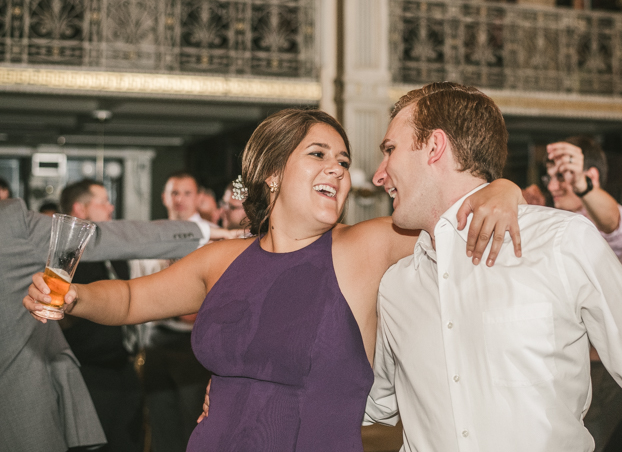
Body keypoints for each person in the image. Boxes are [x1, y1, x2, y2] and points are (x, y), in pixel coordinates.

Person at [25, 107, 523, 452]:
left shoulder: (365, 246)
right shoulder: (221, 259)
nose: (338, 169)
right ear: (272, 173)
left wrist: (503, 188)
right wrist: (74, 297)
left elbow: (454, 216)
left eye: (344, 161)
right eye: (319, 154)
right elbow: (132, 299)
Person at [364, 82, 622, 452]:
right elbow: (372, 403)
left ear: (434, 147)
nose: (379, 174)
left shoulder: (561, 243)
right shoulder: (397, 286)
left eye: (390, 150)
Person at [2, 197, 234, 452]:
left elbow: (110, 240)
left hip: (18, 404)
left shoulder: (10, 221)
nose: (110, 206)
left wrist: (204, 232)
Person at [527, 135, 622, 451]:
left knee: (582, 437)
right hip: (567, 362)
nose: (551, 186)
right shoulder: (559, 221)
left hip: (602, 368)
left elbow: (612, 223)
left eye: (561, 177)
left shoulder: (616, 218)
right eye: (548, 177)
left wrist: (584, 188)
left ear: (589, 177)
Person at [58, 179, 144, 452]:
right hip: (89, 373)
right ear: (80, 210)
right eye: (103, 202)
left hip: (125, 367)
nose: (111, 207)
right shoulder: (65, 259)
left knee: (129, 441)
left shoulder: (114, 251)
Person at [138, 172, 217, 452]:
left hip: (194, 342)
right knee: (160, 421)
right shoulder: (151, 236)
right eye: (174, 193)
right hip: (157, 337)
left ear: (198, 197)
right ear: (164, 197)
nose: (180, 200)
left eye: (186, 193)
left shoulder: (213, 236)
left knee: (192, 422)